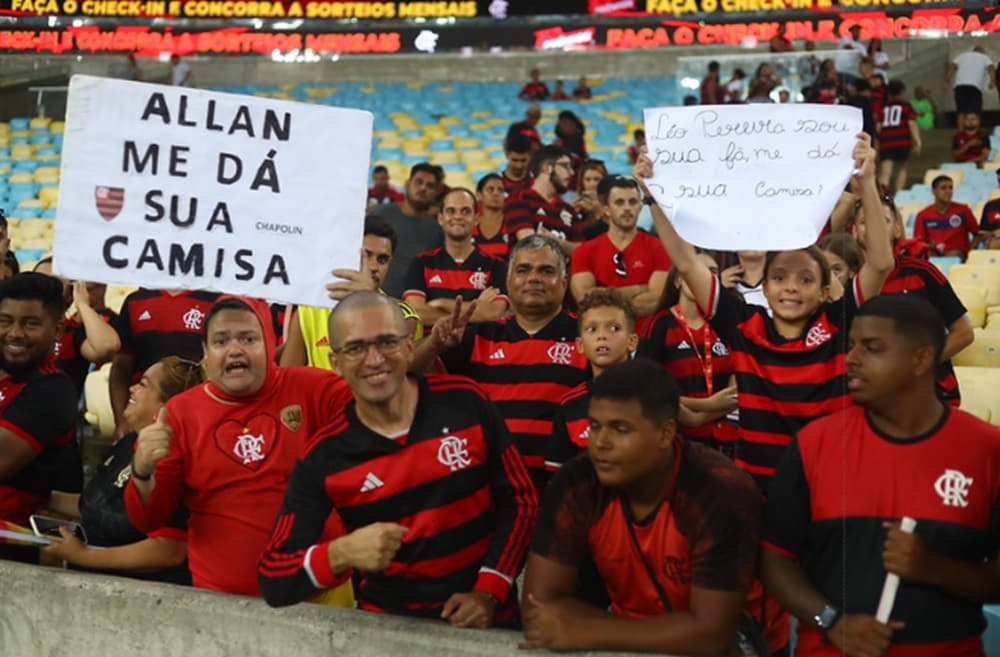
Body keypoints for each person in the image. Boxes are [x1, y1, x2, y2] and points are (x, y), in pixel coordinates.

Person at [258, 292, 537, 626]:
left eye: (387, 342)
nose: (374, 360)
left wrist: (490, 590)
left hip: (489, 627)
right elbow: (275, 579)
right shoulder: (323, 456)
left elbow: (521, 501)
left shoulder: (467, 402)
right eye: (356, 348)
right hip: (388, 635)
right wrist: (341, 552)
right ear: (335, 363)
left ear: (408, 346)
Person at [636, 132, 893, 492]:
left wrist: (866, 183)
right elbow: (685, 260)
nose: (790, 286)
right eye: (779, 277)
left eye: (805, 278)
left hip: (831, 484)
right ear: (766, 289)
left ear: (823, 293)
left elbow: (881, 262)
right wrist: (652, 193)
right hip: (756, 487)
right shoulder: (743, 326)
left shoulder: (840, 323)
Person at [761, 294, 1000, 657]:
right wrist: (831, 621)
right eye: (851, 345)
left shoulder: (987, 450)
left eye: (871, 348)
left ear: (921, 359)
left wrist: (934, 568)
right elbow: (774, 559)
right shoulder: (813, 445)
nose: (851, 359)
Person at [521, 359, 761, 655]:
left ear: (665, 433)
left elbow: (712, 635)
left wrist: (585, 629)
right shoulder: (577, 482)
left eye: (620, 429)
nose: (600, 443)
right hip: (625, 635)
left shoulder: (718, 492)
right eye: (594, 426)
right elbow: (539, 608)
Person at [125, 296, 354, 600]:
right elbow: (149, 519)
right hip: (222, 607)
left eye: (248, 338)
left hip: (322, 598)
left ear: (271, 343)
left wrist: (365, 306)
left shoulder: (315, 389)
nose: (235, 350)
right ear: (205, 352)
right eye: (221, 341)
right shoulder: (179, 414)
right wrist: (142, 471)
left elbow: (386, 403)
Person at [411, 235, 589, 494]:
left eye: (546, 270)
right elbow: (409, 375)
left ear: (564, 282)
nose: (533, 278)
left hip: (564, 489)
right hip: (491, 488)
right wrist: (434, 344)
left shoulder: (585, 336)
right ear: (508, 281)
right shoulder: (478, 336)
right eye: (523, 270)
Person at [42, 357, 201, 584]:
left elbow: (169, 550)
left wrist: (85, 556)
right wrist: (39, 498)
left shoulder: (173, 458)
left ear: (167, 407)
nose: (132, 389)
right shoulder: (128, 443)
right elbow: (99, 505)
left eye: (143, 384)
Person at [857, 192, 974, 407]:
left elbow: (964, 333)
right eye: (865, 222)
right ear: (854, 231)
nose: (875, 228)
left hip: (933, 397)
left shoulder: (924, 273)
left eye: (884, 220)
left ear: (898, 229)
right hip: (873, 399)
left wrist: (916, 368)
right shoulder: (849, 283)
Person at [0, 273, 81, 564]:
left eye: (30, 323)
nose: (15, 333)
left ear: (58, 329)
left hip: (12, 557)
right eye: (5, 321)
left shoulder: (53, 390)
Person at [280, 216, 423, 369]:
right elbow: (288, 377)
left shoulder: (404, 316)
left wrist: (368, 299)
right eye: (366, 255)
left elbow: (393, 374)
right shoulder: (309, 309)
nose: (374, 266)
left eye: (382, 259)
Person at [638, 252, 738, 454]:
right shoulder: (658, 325)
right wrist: (707, 405)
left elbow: (735, 393)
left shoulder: (728, 322)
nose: (703, 277)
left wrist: (699, 417)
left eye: (712, 273)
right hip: (674, 441)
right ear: (678, 280)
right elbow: (647, 390)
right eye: (696, 270)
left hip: (725, 442)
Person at [108, 287, 219, 439]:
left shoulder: (216, 301)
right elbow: (120, 370)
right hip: (144, 416)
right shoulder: (136, 301)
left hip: (195, 418)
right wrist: (121, 421)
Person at [402, 188, 509, 327]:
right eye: (451, 211)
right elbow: (417, 314)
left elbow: (493, 313)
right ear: (440, 218)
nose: (458, 217)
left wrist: (440, 303)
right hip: (433, 348)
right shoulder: (421, 263)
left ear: (476, 218)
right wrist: (475, 308)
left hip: (478, 348)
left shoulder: (496, 265)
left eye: (465, 211)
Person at [569, 177, 670, 318]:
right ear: (606, 210)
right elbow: (585, 300)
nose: (627, 208)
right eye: (619, 202)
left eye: (633, 202)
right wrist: (639, 288)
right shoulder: (584, 252)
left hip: (647, 336)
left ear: (640, 207)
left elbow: (656, 301)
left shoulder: (659, 248)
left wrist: (603, 294)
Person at [33, 258, 120, 396]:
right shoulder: (12, 328)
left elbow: (107, 346)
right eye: (36, 281)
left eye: (54, 283)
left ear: (69, 294)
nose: (43, 288)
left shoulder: (72, 332)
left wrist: (82, 304)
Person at [372, 162, 444, 298]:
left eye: (430, 186)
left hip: (414, 309)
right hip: (374, 300)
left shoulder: (436, 230)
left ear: (435, 193)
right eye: (419, 182)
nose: (423, 188)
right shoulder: (379, 215)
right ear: (407, 184)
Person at [504, 145, 585, 255]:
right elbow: (529, 242)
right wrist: (565, 245)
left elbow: (582, 251)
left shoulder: (569, 210)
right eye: (565, 166)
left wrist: (554, 241)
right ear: (547, 168)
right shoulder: (519, 199)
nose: (572, 172)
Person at [913, 175, 979, 260]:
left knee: (953, 254)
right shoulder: (923, 215)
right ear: (934, 192)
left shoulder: (963, 210)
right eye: (943, 188)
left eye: (951, 188)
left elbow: (978, 234)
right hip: (933, 254)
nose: (948, 191)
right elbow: (918, 242)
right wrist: (929, 245)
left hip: (957, 255)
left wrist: (970, 252)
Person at [877, 80, 921, 196]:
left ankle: (883, 196)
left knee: (885, 172)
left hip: (886, 142)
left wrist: (878, 143)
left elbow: (878, 127)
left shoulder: (884, 107)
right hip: (902, 141)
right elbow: (911, 123)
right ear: (902, 91)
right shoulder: (906, 106)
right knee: (902, 168)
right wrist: (917, 141)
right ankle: (899, 195)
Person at [944, 46, 995, 116]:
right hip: (975, 86)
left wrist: (946, 81)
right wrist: (992, 81)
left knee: (961, 111)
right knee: (976, 111)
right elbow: (991, 68)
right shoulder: (984, 57)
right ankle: (976, 127)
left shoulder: (962, 55)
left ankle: (960, 127)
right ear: (982, 52)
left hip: (959, 86)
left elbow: (952, 66)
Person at [472, 173, 512, 261]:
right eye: (490, 189)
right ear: (479, 195)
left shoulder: (512, 224)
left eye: (500, 190)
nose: (496, 193)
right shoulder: (470, 225)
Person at [571, 159, 607, 226]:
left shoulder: (611, 205)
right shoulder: (576, 205)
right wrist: (571, 212)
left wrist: (597, 211)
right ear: (582, 182)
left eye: (596, 179)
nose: (592, 184)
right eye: (587, 179)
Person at [500, 133, 534, 197]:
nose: (519, 166)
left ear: (530, 155)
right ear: (507, 155)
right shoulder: (497, 183)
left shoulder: (537, 181)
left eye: (523, 160)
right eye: (515, 160)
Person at [977, 169, 1000, 250]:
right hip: (995, 245)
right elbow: (981, 236)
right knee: (994, 244)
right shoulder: (990, 206)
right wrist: (994, 233)